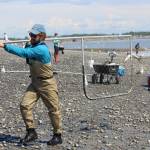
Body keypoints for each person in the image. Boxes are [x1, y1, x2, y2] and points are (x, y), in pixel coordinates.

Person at [0, 24, 62, 146]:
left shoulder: (41, 50)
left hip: (47, 83)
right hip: (35, 82)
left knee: (53, 109)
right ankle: (31, 132)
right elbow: (27, 49)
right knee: (24, 105)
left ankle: (57, 135)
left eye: (34, 35)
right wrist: (29, 42)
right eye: (30, 35)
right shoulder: (33, 45)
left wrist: (5, 46)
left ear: (41, 36)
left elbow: (23, 52)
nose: (31, 37)